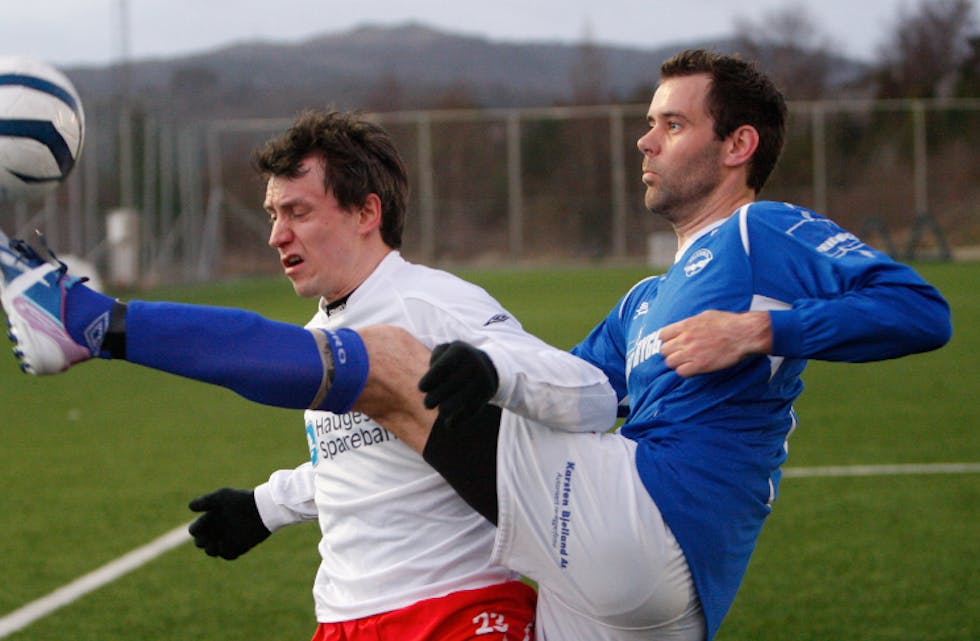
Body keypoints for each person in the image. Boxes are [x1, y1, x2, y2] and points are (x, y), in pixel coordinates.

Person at [1, 49, 953, 640]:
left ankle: (86, 321)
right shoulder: (644, 298)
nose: (644, 140)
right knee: (399, 384)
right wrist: (269, 502)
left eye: (670, 121)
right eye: (647, 121)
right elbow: (573, 387)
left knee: (396, 369)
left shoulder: (764, 232)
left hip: (652, 520)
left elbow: (923, 312)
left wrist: (765, 326)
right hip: (631, 597)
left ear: (739, 144)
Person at [0, 109, 617, 641]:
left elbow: (592, 394)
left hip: (459, 608)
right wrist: (266, 506)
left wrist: (494, 367)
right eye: (272, 213)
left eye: (297, 211)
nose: (276, 235)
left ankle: (89, 323)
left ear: (365, 213)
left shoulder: (432, 304)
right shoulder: (326, 328)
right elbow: (361, 462)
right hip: (344, 618)